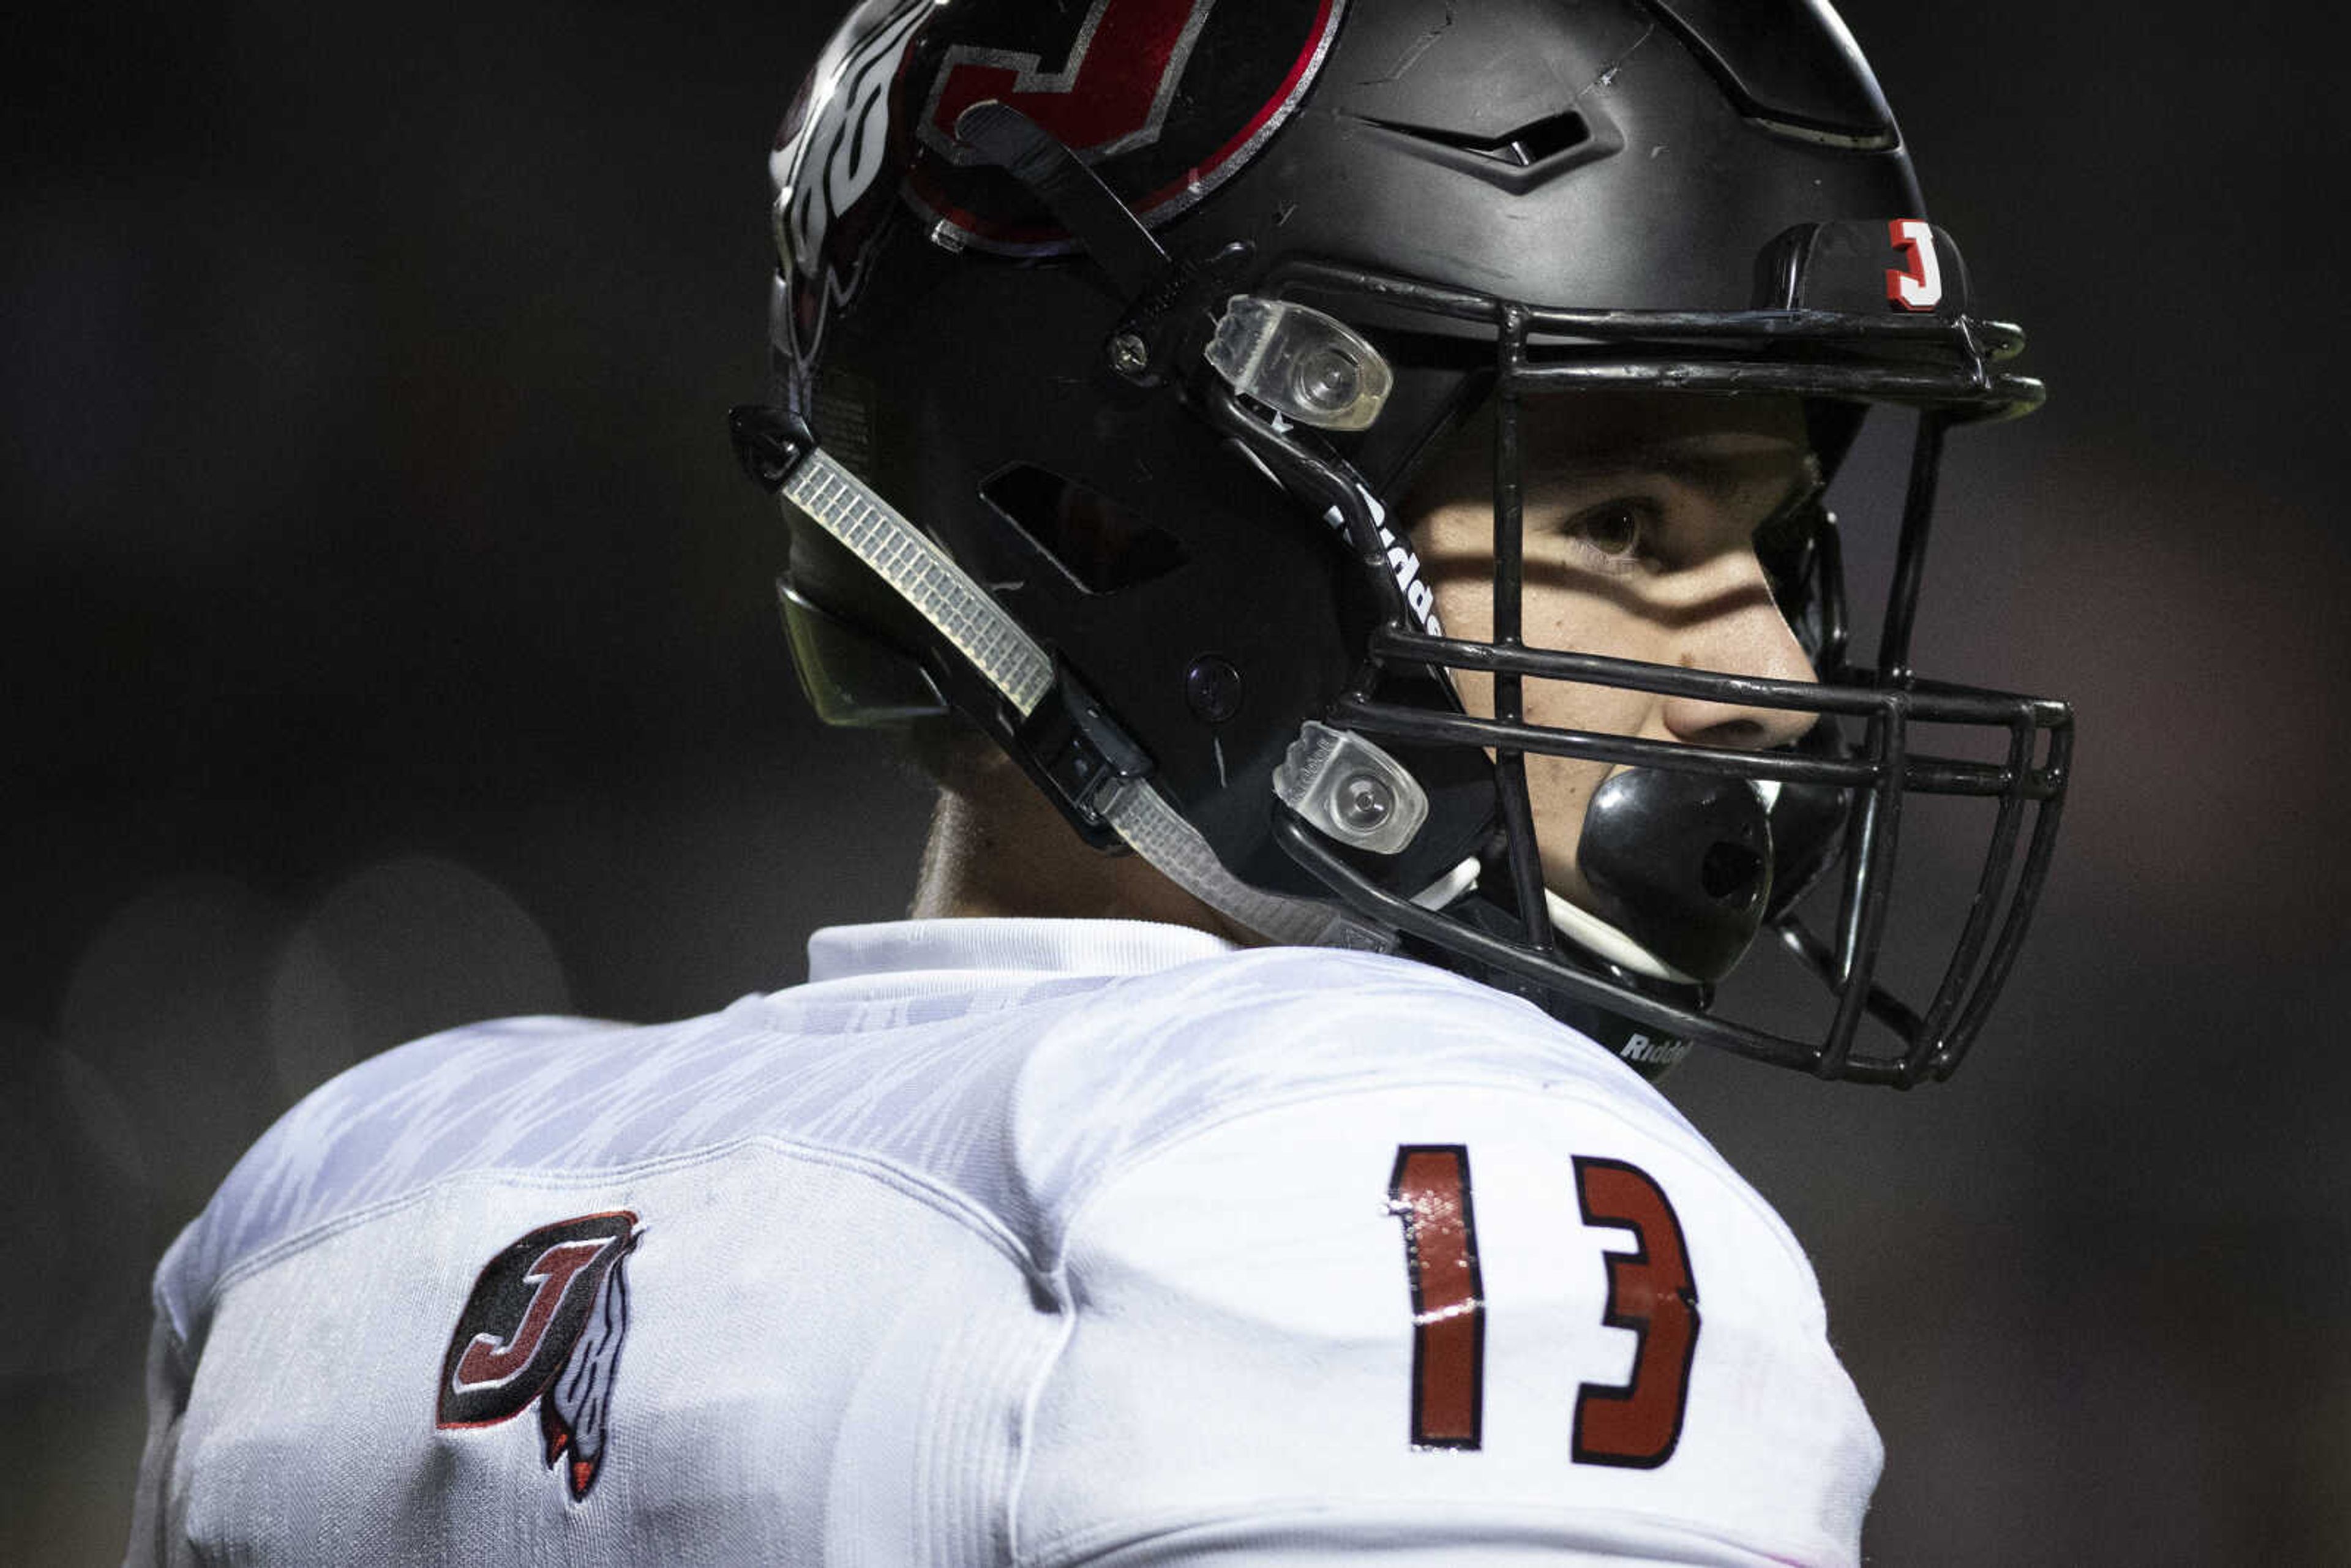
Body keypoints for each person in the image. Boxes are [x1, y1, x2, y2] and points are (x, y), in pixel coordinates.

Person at [126, 1, 2071, 1564]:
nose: (1775, 675)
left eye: (1779, 544)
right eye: (1631, 521)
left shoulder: (344, 1209)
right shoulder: (1397, 1168)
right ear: (1133, 516)